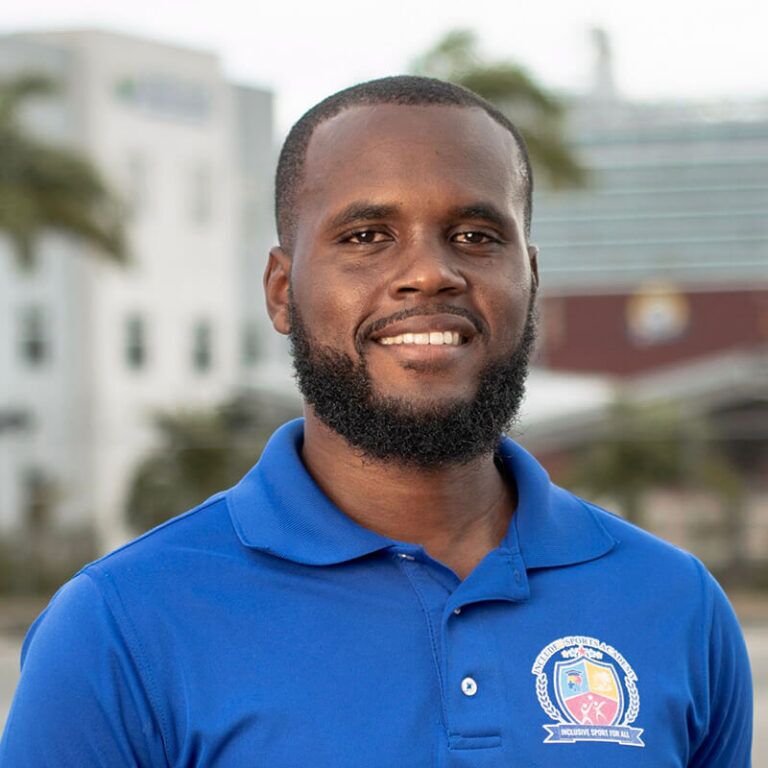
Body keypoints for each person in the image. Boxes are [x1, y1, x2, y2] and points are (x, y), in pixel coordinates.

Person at [0, 76, 753, 767]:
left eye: (475, 236)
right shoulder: (121, 625)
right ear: (282, 291)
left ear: (530, 280)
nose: (429, 272)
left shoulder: (676, 603)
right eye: (366, 236)